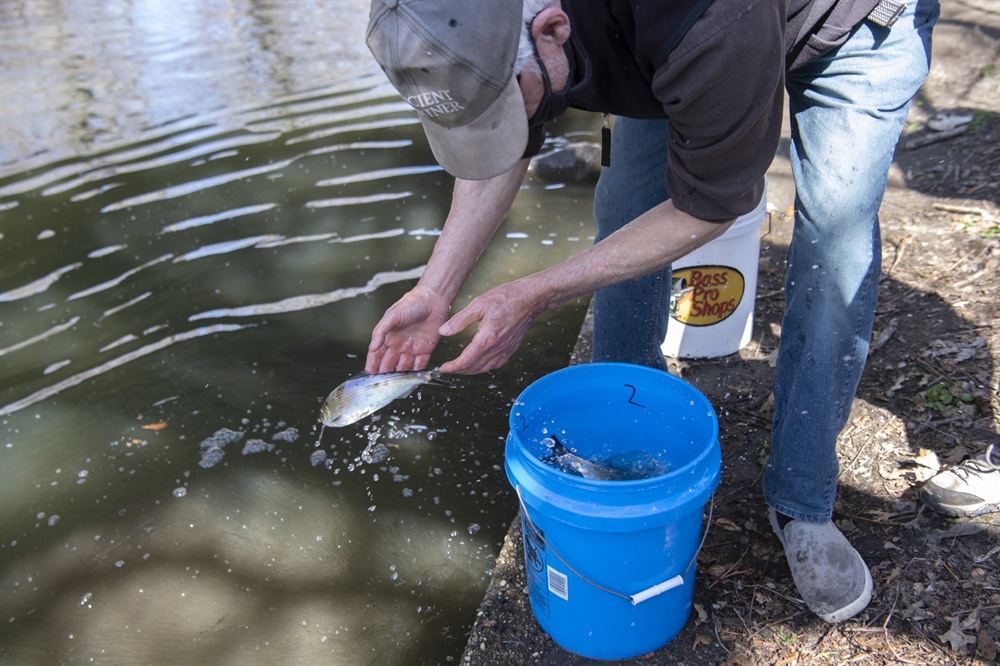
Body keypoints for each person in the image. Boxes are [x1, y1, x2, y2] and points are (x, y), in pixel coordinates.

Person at [364, 0, 938, 623]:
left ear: (553, 28)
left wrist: (539, 290)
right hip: (658, 39)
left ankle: (802, 501)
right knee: (624, 209)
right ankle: (615, 445)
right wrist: (434, 289)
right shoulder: (497, 25)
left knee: (836, 247)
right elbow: (503, 138)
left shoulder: (712, 24)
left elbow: (709, 204)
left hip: (851, 26)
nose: (513, 123)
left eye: (512, 102)